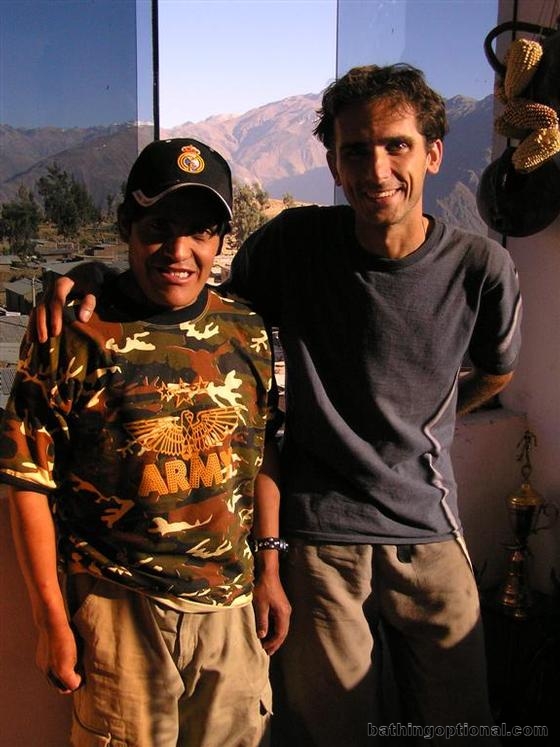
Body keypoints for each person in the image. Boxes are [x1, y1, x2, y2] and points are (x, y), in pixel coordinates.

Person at [35, 65, 522, 746]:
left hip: (430, 526)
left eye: (397, 145)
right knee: (335, 729)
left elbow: (497, 372)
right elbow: (191, 294)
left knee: (460, 721)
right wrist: (94, 278)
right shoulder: (294, 245)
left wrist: (427, 425)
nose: (377, 168)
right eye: (356, 150)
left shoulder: (481, 268)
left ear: (433, 154)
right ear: (334, 164)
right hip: (320, 533)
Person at [0, 137, 291, 747]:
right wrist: (51, 620)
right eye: (159, 227)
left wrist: (269, 569)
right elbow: (28, 481)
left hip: (230, 616)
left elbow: (262, 456)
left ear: (221, 240)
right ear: (126, 227)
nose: (179, 252)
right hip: (117, 610)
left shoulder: (248, 331)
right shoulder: (73, 334)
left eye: (201, 232)